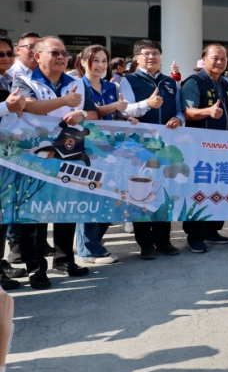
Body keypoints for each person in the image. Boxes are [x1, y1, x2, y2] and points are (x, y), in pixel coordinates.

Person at [13, 36, 99, 289]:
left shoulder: (76, 83)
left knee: (66, 206)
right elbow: (29, 108)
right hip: (34, 152)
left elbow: (92, 112)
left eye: (63, 53)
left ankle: (64, 259)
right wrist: (64, 102)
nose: (61, 57)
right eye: (54, 52)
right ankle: (36, 267)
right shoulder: (24, 81)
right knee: (35, 212)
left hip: (70, 148)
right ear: (37, 56)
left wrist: (81, 113)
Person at [119, 39, 184, 259]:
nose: (151, 57)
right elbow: (124, 110)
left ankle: (163, 240)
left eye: (155, 53)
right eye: (146, 53)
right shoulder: (128, 80)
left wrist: (178, 118)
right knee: (140, 194)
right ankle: (145, 244)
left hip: (165, 146)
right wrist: (147, 104)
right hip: (139, 146)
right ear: (137, 57)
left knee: (164, 192)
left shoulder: (170, 82)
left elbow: (180, 110)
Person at [73, 45, 133, 265]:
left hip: (110, 149)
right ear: (83, 62)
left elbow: (115, 115)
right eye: (95, 60)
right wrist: (112, 107)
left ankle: (90, 242)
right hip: (86, 147)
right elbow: (88, 116)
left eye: (104, 61)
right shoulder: (78, 86)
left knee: (109, 196)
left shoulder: (111, 86)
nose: (100, 65)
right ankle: (88, 250)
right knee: (89, 196)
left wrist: (127, 120)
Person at [181, 44, 228, 253]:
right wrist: (207, 112)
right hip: (201, 148)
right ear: (204, 59)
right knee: (199, 191)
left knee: (218, 189)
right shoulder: (194, 82)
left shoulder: (225, 84)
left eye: (223, 59)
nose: (220, 62)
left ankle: (212, 231)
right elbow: (187, 112)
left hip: (224, 147)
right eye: (215, 58)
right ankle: (194, 236)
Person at [6, 32, 41, 265]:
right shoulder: (9, 74)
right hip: (9, 147)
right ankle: (14, 243)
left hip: (33, 144)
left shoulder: (42, 76)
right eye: (28, 47)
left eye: (37, 48)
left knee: (28, 193)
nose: (33, 51)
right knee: (11, 195)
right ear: (20, 49)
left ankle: (34, 245)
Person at [0, 36, 26, 289]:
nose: (6, 58)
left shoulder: (10, 80)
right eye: (1, 54)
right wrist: (4, 106)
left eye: (9, 54)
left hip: (7, 155)